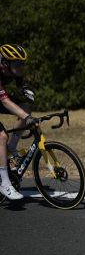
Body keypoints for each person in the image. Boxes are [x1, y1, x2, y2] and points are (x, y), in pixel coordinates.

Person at [0, 44, 36, 200]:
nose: (20, 67)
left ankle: (10, 148)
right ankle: (4, 183)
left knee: (25, 107)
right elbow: (5, 101)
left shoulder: (11, 67)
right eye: (17, 64)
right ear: (5, 63)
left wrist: (24, 88)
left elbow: (20, 81)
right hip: (1, 99)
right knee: (1, 136)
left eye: (22, 63)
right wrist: (26, 118)